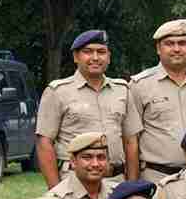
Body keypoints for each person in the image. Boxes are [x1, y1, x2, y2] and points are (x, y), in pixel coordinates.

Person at [123, 19, 186, 182]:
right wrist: (133, 183)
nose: (176, 49)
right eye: (169, 44)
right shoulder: (139, 85)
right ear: (158, 49)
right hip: (155, 176)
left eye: (182, 43)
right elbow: (131, 139)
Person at [36, 29, 131, 187]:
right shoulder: (58, 91)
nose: (95, 57)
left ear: (108, 57)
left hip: (116, 181)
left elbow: (131, 141)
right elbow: (44, 142)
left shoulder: (122, 90)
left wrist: (131, 185)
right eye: (88, 52)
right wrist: (55, 191)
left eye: (101, 52)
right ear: (76, 57)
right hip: (74, 180)